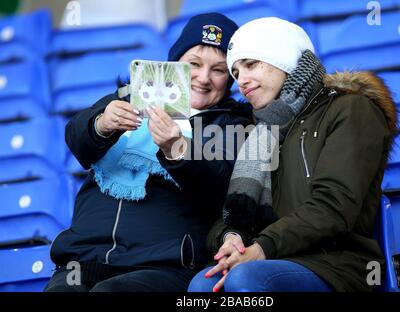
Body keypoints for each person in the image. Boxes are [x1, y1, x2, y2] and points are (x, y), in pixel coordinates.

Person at [45, 13, 253, 292]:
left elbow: (220, 189)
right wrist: (101, 124)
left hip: (163, 266)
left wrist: (177, 149)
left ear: (229, 80)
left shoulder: (232, 123)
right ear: (174, 64)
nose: (203, 78)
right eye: (193, 64)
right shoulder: (131, 96)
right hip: (81, 260)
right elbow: (77, 139)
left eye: (218, 70)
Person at [188, 17, 398, 292]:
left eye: (251, 64)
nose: (242, 81)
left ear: (283, 57)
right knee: (202, 286)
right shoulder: (261, 131)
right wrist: (231, 238)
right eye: (236, 73)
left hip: (336, 264)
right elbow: (233, 214)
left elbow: (334, 206)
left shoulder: (351, 109)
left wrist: (264, 247)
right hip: (275, 258)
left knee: (246, 280)